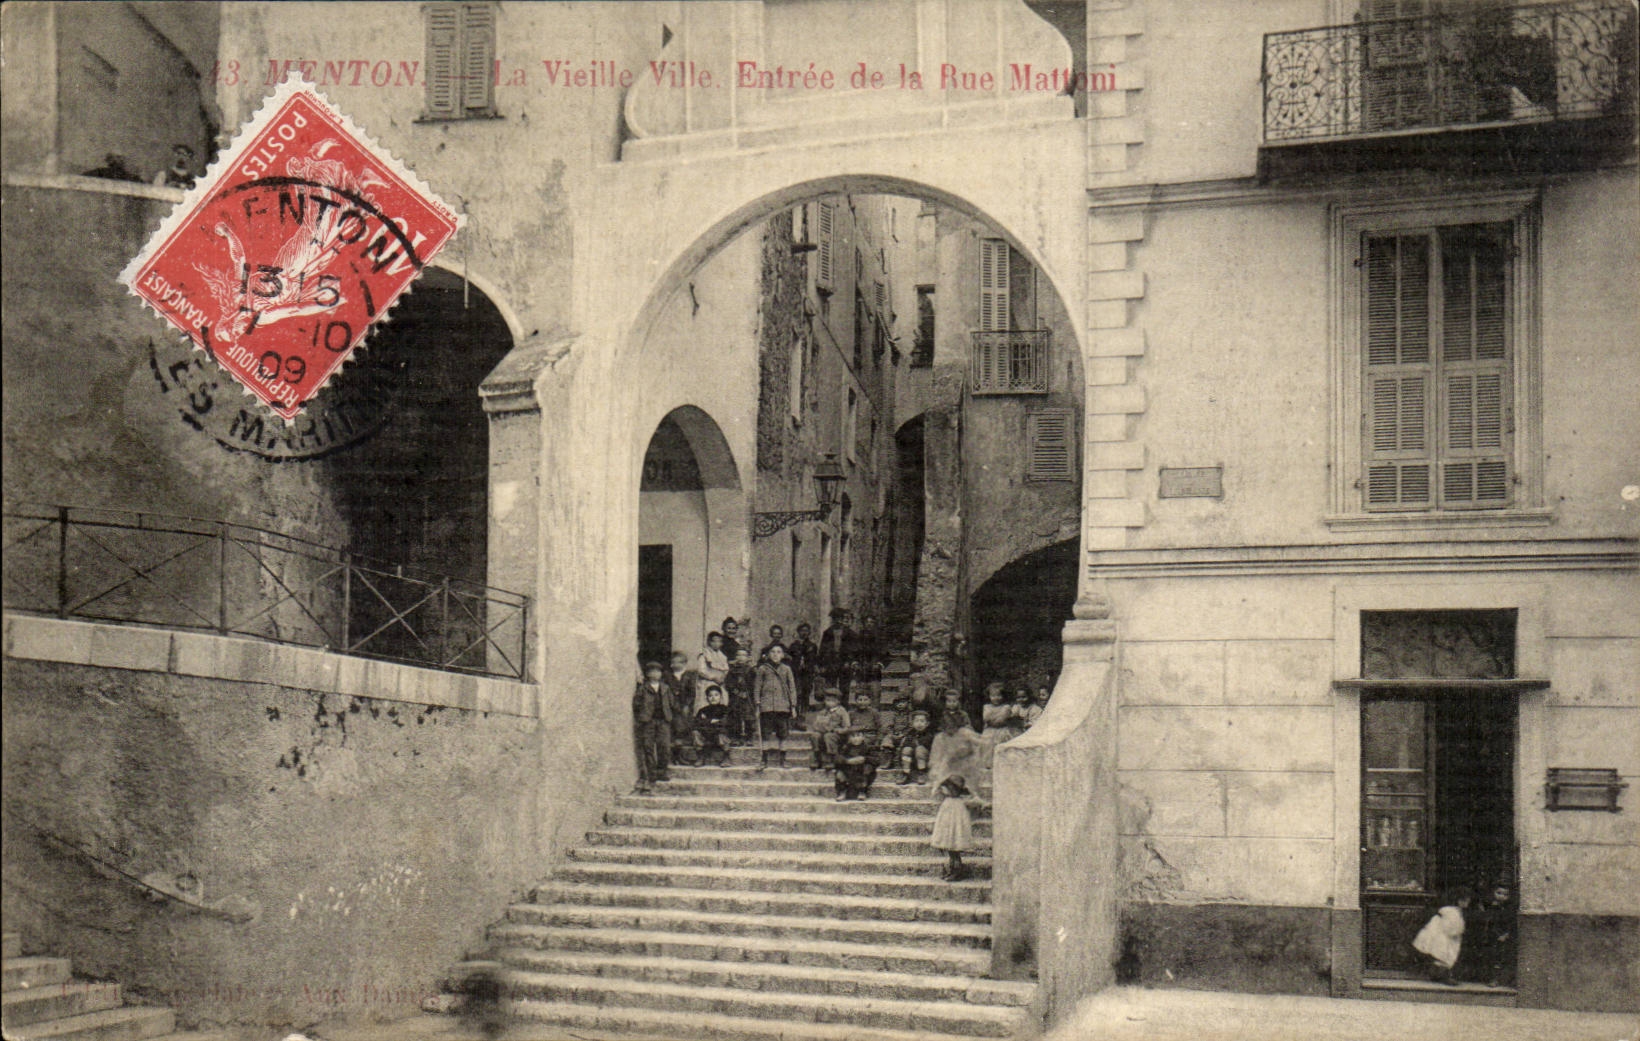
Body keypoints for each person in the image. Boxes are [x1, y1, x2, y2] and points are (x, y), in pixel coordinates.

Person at [931, 774, 986, 881]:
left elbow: (960, 819)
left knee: (954, 851)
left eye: (947, 788)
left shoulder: (958, 804)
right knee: (950, 851)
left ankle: (957, 871)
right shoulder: (948, 801)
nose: (944, 790)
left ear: (954, 789)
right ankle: (951, 870)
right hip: (947, 826)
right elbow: (935, 793)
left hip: (954, 827)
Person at [1412, 887, 1473, 984]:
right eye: (1466, 900)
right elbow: (1452, 929)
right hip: (1444, 937)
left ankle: (1436, 974)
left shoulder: (1450, 911)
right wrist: (1459, 931)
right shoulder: (1453, 912)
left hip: (1439, 933)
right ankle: (1443, 976)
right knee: (1445, 954)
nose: (1468, 903)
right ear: (1459, 901)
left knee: (1441, 954)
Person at [1462, 881, 1517, 987]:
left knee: (1498, 958)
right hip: (1489, 936)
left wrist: (1505, 934)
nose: (1501, 896)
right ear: (1493, 893)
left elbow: (1510, 923)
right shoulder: (1489, 906)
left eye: (1505, 894)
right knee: (1487, 956)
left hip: (1501, 937)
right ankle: (1483, 976)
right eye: (1498, 893)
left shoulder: (1508, 909)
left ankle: (1496, 979)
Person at [929, 696, 988, 791]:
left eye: (954, 701)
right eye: (949, 701)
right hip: (947, 737)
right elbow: (941, 726)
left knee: (965, 749)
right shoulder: (944, 714)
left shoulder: (962, 714)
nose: (952, 703)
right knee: (943, 751)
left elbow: (967, 725)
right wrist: (946, 730)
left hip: (960, 737)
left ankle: (966, 783)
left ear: (958, 702)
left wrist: (961, 731)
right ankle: (945, 780)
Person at [754, 643, 798, 769]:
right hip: (766, 706)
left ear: (783, 655)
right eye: (772, 652)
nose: (775, 654)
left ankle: (783, 759)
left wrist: (793, 706)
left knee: (783, 734)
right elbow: (757, 687)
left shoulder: (786, 669)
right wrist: (758, 705)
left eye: (779, 652)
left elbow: (792, 688)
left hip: (783, 707)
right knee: (765, 734)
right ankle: (764, 760)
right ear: (768, 655)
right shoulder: (762, 669)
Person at [631, 661, 673, 793]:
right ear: (647, 674)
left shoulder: (665, 688)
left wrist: (670, 715)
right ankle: (651, 773)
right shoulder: (643, 689)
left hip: (663, 721)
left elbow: (671, 702)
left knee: (664, 746)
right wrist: (642, 717)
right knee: (648, 747)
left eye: (658, 671)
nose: (655, 674)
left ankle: (662, 771)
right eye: (652, 671)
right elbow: (637, 704)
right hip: (648, 721)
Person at [667, 652, 699, 764]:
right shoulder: (668, 676)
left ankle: (685, 756)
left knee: (685, 728)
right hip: (672, 706)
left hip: (685, 706)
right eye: (672, 662)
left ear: (684, 663)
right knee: (676, 729)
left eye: (677, 662)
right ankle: (676, 756)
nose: (674, 665)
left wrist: (687, 705)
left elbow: (692, 693)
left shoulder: (689, 676)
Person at [692, 684, 731, 767]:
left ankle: (726, 757)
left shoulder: (725, 709)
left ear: (720, 697)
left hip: (719, 735)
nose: (713, 698)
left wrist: (706, 721)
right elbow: (696, 723)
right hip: (706, 735)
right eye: (710, 696)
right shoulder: (703, 710)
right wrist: (711, 721)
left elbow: (725, 722)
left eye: (716, 695)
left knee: (722, 732)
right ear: (707, 698)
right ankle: (700, 756)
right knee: (695, 732)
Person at [810, 689, 850, 770]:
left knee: (829, 736)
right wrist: (820, 728)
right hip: (823, 732)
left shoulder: (842, 711)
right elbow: (816, 725)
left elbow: (847, 726)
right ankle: (817, 757)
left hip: (837, 735)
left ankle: (831, 759)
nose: (829, 703)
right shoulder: (823, 712)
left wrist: (839, 730)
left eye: (832, 701)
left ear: (838, 701)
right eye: (827, 700)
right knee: (815, 735)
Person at [818, 608, 854, 697]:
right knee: (830, 687)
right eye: (835, 618)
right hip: (831, 663)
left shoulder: (850, 633)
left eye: (839, 618)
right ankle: (831, 703)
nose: (837, 620)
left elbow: (853, 649)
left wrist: (848, 661)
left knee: (844, 687)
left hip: (844, 663)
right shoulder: (827, 632)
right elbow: (822, 649)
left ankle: (844, 704)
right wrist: (822, 665)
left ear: (842, 618)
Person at [724, 647, 756, 743]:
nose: (741, 657)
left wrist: (748, 692)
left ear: (748, 658)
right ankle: (735, 738)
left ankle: (749, 737)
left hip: (748, 697)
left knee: (748, 717)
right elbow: (728, 683)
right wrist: (736, 692)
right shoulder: (732, 670)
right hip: (735, 697)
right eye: (738, 655)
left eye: (743, 655)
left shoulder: (751, 670)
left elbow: (755, 684)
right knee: (735, 716)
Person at [835, 730, 877, 801]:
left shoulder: (868, 747)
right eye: (853, 736)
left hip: (861, 770)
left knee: (868, 768)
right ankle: (842, 792)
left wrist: (865, 759)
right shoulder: (846, 747)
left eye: (858, 736)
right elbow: (838, 758)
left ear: (863, 737)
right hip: (849, 770)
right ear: (849, 738)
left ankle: (862, 791)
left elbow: (876, 760)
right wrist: (847, 761)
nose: (856, 739)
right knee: (840, 773)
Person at [787, 622, 819, 714]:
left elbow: (815, 659)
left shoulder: (812, 646)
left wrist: (814, 668)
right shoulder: (794, 646)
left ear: (809, 632)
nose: (804, 633)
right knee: (798, 692)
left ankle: (805, 710)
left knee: (807, 690)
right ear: (798, 632)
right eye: (802, 630)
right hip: (797, 673)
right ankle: (796, 711)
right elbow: (789, 658)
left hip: (808, 673)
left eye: (806, 630)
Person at [897, 709, 935, 785]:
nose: (919, 723)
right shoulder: (910, 733)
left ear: (927, 724)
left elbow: (926, 744)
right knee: (906, 749)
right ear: (912, 723)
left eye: (922, 721)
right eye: (916, 721)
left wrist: (915, 744)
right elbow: (906, 744)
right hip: (912, 760)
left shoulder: (929, 734)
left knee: (920, 749)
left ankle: (922, 773)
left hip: (925, 760)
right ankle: (906, 773)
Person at [696, 631, 729, 711]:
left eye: (719, 641)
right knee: (707, 701)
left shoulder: (722, 656)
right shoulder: (704, 655)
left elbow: (726, 669)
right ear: (709, 642)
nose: (716, 644)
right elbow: (701, 670)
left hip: (720, 682)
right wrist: (714, 678)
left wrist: (723, 677)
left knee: (721, 700)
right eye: (713, 641)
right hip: (708, 682)